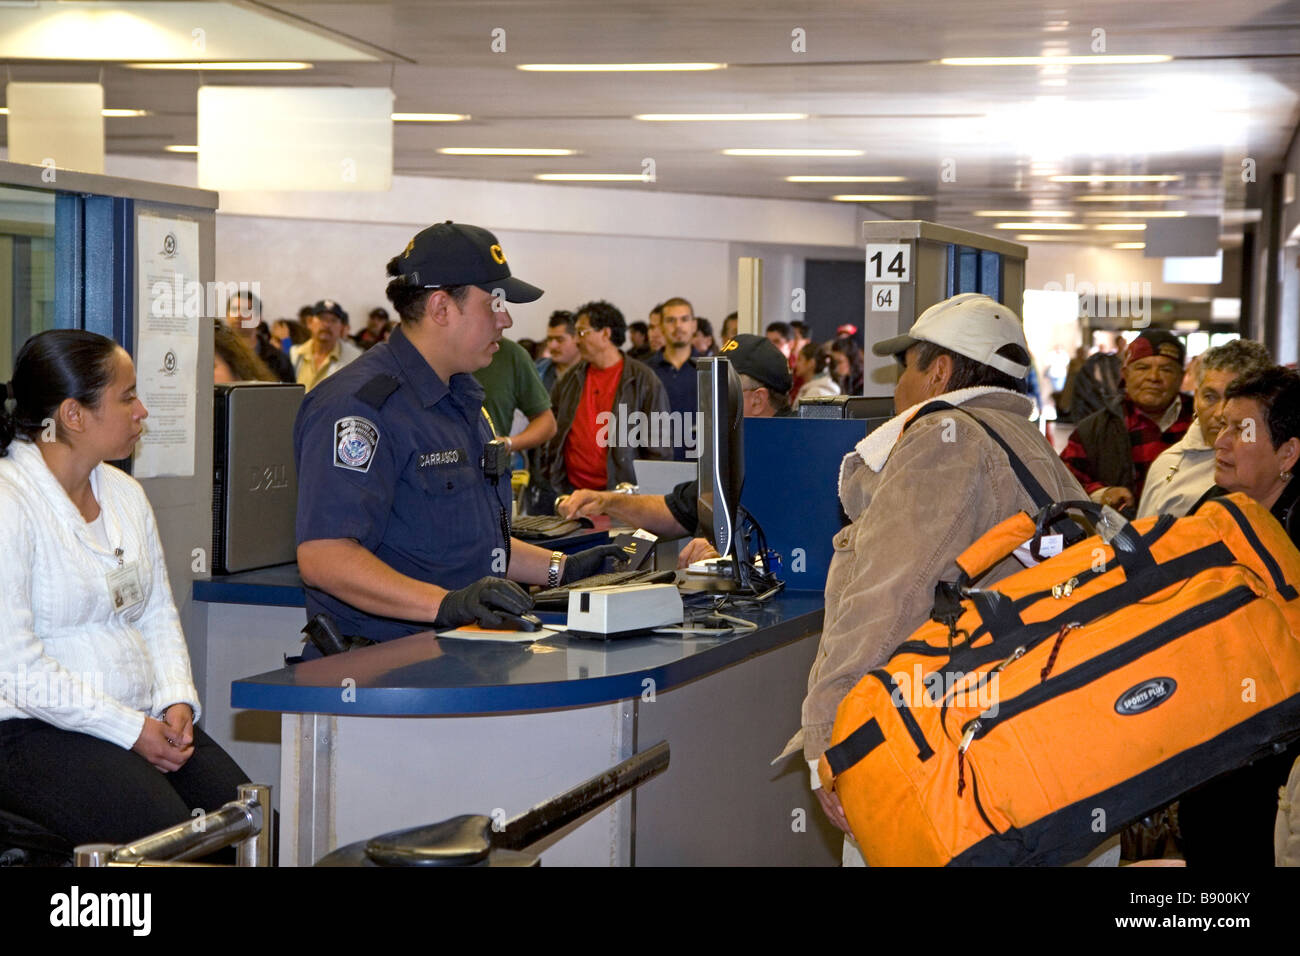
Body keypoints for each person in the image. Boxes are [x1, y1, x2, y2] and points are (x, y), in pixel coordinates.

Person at [776, 294, 1085, 846]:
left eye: (905, 368)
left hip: (957, 763)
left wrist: (827, 740)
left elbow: (888, 597)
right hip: (1047, 748)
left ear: (938, 371)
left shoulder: (947, 439)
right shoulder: (1031, 446)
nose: (897, 389)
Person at [292, 221, 621, 648]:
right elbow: (325, 558)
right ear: (442, 308)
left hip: (460, 653)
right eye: (495, 304)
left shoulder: (460, 397)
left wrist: (562, 569)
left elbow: (474, 543)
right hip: (382, 671)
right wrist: (446, 605)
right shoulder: (359, 408)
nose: (507, 319)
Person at [0, 330, 251, 852]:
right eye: (127, 396)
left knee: (245, 821)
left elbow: (157, 612)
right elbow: (20, 672)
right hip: (32, 729)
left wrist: (176, 699)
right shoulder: (10, 503)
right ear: (73, 415)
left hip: (137, 715)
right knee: (173, 847)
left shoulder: (125, 494)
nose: (142, 412)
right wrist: (130, 730)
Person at [1178, 366, 1300, 866]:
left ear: (1288, 454)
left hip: (1274, 773)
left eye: (1240, 430)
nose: (1221, 442)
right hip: (1208, 751)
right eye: (1221, 425)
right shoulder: (1213, 507)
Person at [558, 334, 794, 567]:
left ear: (757, 400)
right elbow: (676, 511)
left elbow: (794, 542)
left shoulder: (794, 457)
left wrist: (733, 550)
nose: (709, 399)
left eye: (721, 387)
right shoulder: (732, 452)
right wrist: (606, 501)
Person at [538, 299, 671, 496]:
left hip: (623, 498)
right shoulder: (571, 378)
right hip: (573, 495)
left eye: (582, 332)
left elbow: (659, 449)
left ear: (606, 334)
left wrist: (651, 497)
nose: (576, 340)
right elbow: (551, 428)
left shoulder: (643, 380)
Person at [1061, 329, 1193, 514]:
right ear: (1125, 373)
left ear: (1181, 376)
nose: (1153, 377)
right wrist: (1103, 494)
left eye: (1166, 369)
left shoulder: (1203, 423)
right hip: (1118, 539)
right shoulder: (1093, 430)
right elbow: (1062, 482)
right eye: (1142, 368)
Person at [1137, 339, 1272, 518]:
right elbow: (1140, 542)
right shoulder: (1168, 465)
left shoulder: (1278, 463)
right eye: (1210, 397)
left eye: (1235, 399)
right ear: (1195, 398)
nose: (1220, 412)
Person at [472, 335, 557, 454]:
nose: (505, 322)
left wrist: (508, 443)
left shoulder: (511, 354)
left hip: (491, 466)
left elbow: (546, 422)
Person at [646, 296, 705, 461]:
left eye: (684, 319)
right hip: (656, 464)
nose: (678, 326)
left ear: (694, 325)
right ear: (662, 327)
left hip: (702, 466)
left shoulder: (711, 370)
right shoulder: (645, 372)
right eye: (671, 320)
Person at [291, 300, 364, 392]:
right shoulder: (295, 354)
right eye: (322, 319)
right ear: (310, 322)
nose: (327, 325)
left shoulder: (355, 358)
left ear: (341, 327)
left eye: (333, 320)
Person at [224, 290, 294, 384]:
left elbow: (288, 395)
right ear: (227, 315)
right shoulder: (216, 354)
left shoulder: (278, 360)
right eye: (234, 309)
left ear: (259, 319)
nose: (238, 315)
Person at [536, 310, 580, 394]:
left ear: (577, 339)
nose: (552, 345)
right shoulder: (536, 370)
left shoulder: (591, 373)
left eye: (560, 340)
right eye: (549, 339)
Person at [794, 342, 841, 407]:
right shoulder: (815, 389)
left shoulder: (816, 394)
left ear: (811, 363)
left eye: (799, 359)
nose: (795, 364)